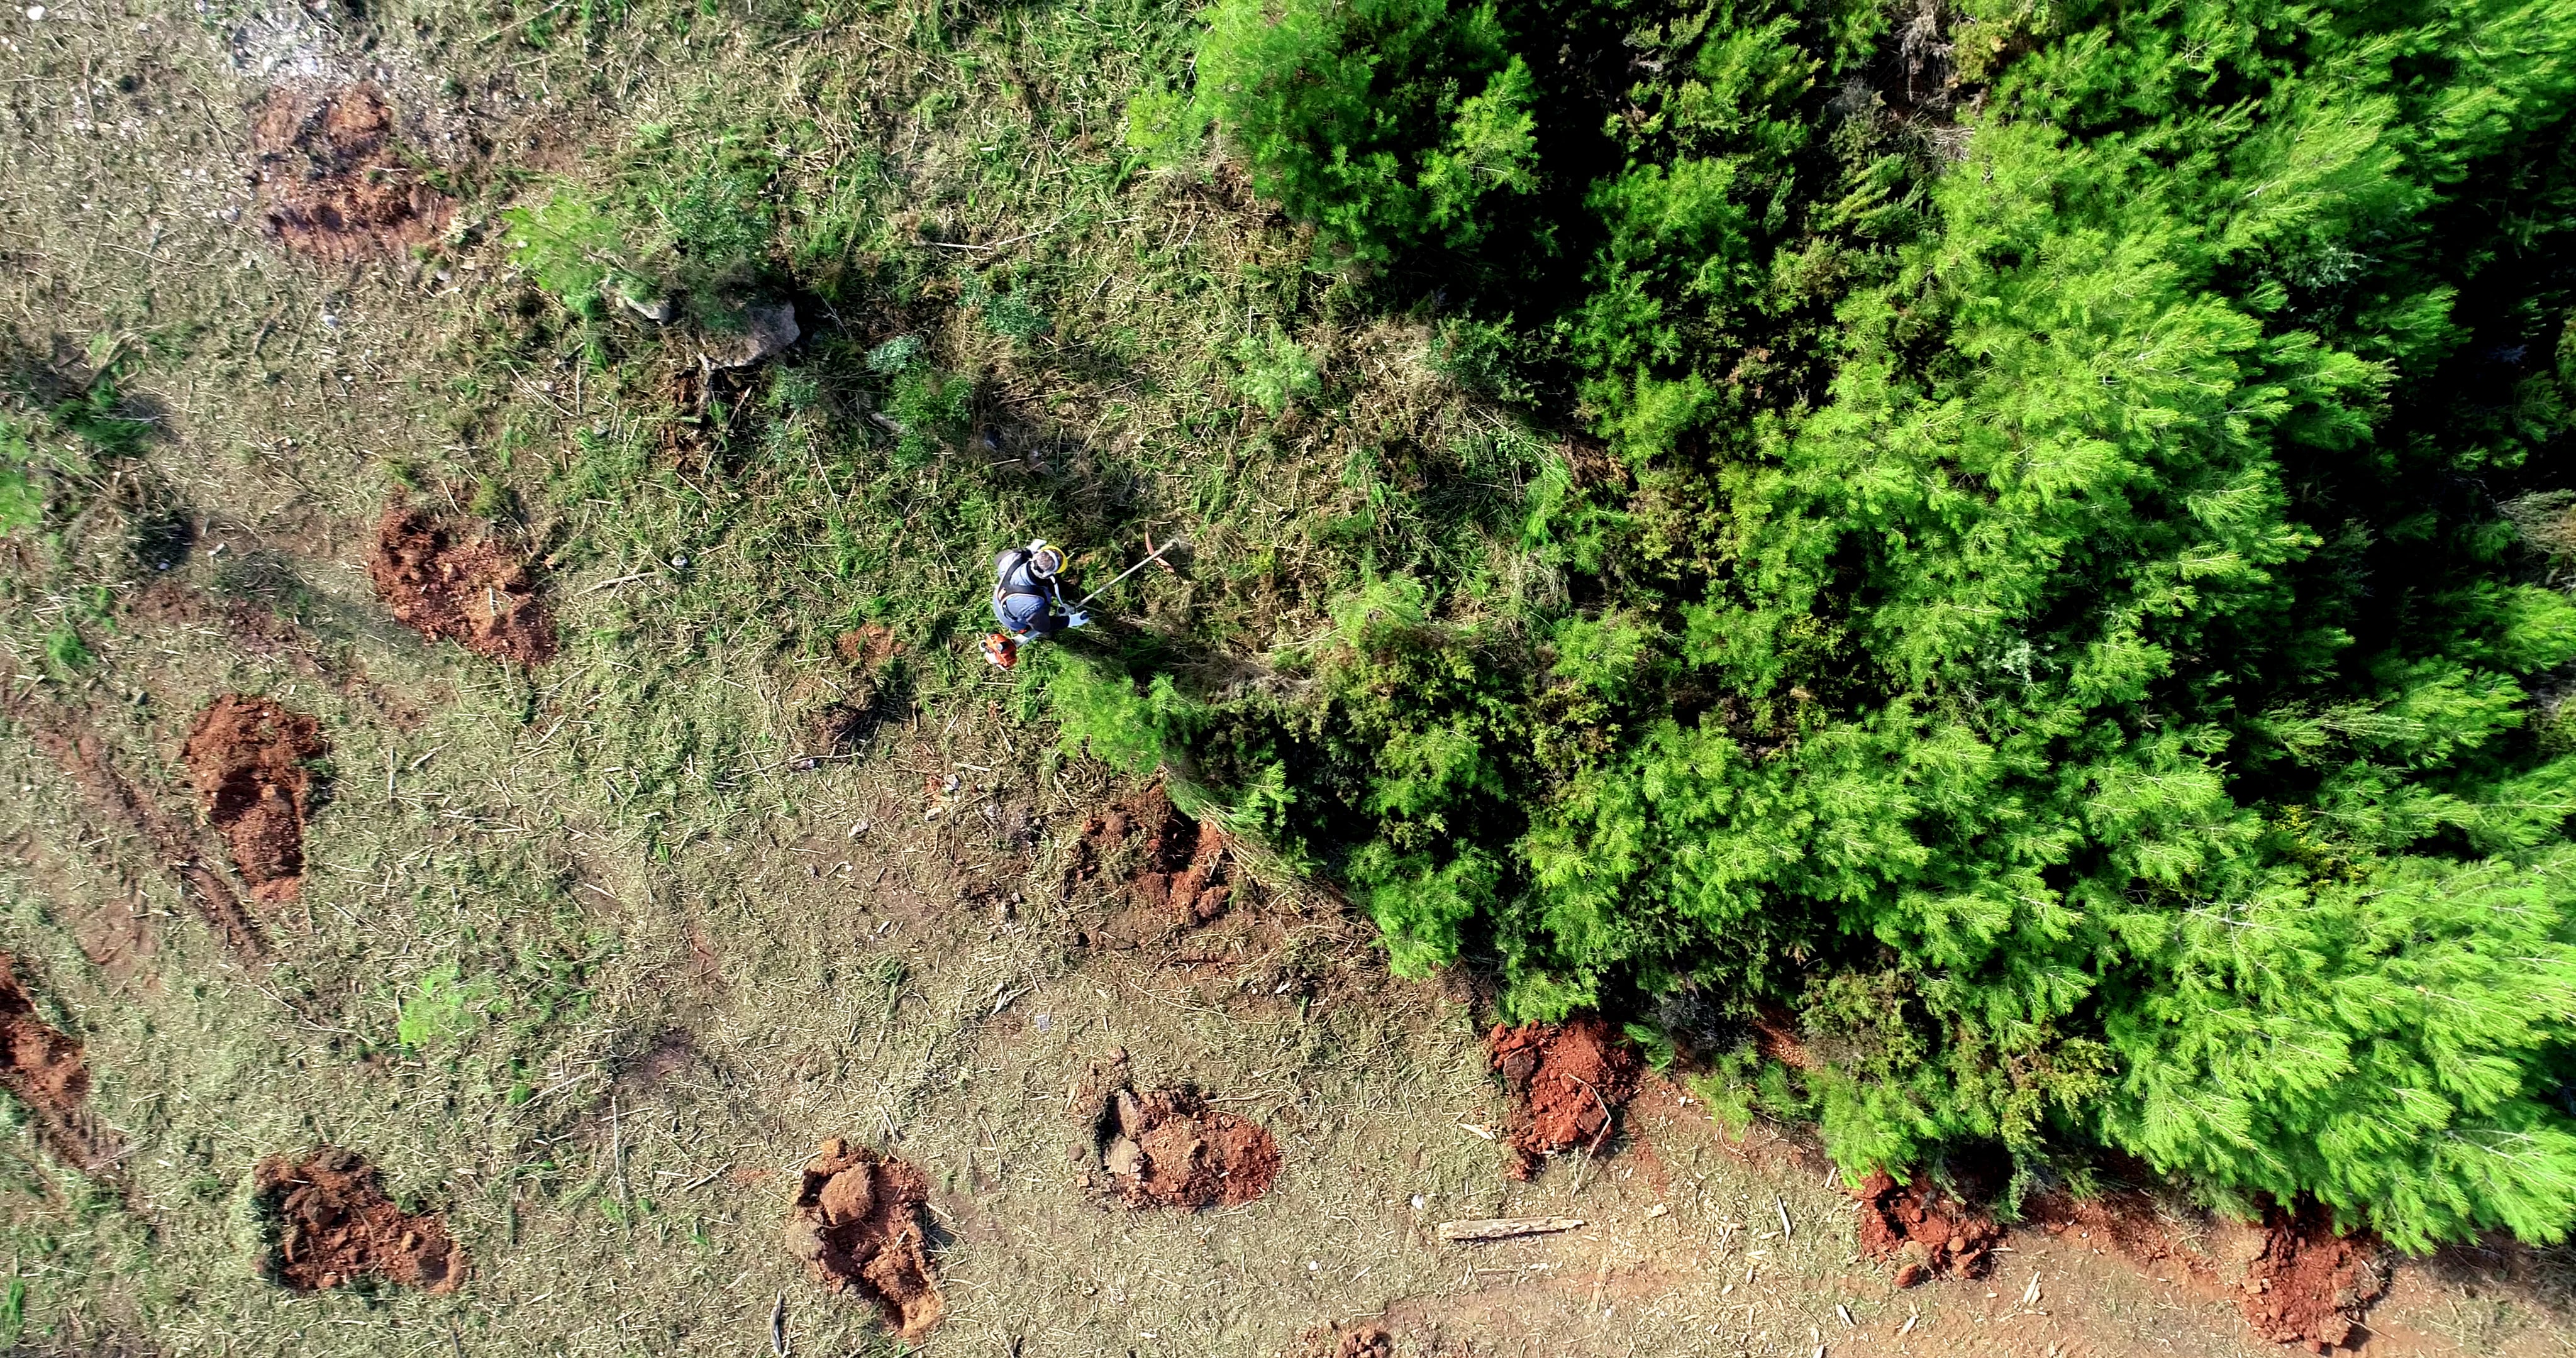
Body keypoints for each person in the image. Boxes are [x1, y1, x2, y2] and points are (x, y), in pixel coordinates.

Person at [982, 540, 1087, 667]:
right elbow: (1041, 626)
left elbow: (998, 559)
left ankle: (1064, 588)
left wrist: (1026, 551)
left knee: (1048, 587)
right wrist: (1070, 621)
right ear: (1048, 574)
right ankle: (1046, 636)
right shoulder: (1034, 604)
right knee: (1043, 627)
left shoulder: (1013, 559)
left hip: (1000, 598)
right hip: (1014, 620)